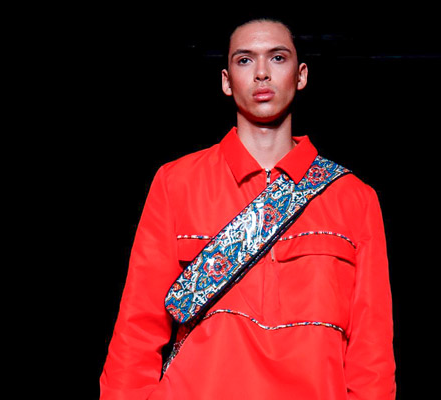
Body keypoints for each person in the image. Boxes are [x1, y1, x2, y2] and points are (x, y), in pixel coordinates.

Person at [100, 17, 396, 400]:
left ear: (301, 75)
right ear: (226, 81)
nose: (261, 73)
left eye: (277, 58)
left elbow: (372, 353)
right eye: (244, 60)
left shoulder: (354, 197)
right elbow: (137, 330)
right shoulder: (177, 182)